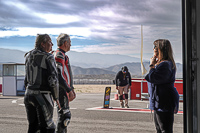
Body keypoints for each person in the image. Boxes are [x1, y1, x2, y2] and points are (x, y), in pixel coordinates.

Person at [24, 34, 61, 133]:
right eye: (49, 42)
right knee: (48, 126)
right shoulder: (48, 57)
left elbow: (26, 79)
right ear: (43, 44)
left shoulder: (28, 55)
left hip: (28, 94)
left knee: (33, 126)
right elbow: (53, 79)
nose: (52, 44)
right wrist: (56, 97)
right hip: (42, 96)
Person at [145, 39, 179, 133]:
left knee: (164, 129)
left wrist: (152, 65)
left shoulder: (165, 65)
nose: (153, 50)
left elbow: (152, 78)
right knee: (159, 129)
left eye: (155, 48)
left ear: (161, 50)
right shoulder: (162, 64)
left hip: (164, 101)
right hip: (159, 102)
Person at [53, 33, 76, 133]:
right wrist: (68, 89)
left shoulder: (63, 55)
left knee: (65, 118)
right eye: (70, 42)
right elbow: (58, 75)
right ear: (65, 43)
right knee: (64, 117)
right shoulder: (59, 55)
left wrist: (71, 88)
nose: (70, 45)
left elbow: (66, 74)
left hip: (64, 89)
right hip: (61, 90)